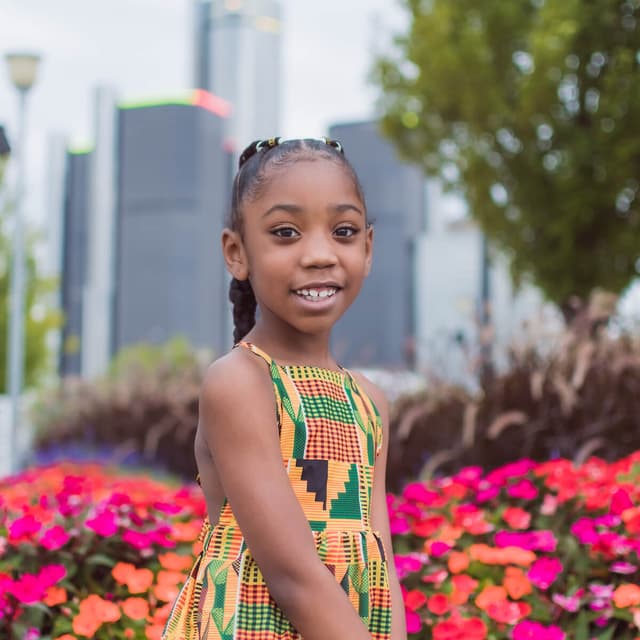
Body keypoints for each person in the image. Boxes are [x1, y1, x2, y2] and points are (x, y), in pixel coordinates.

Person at [161, 137, 407, 640]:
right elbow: (293, 577)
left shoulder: (369, 401)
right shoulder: (240, 383)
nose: (319, 255)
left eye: (343, 231)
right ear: (237, 253)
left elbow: (380, 555)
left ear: (367, 248)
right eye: (286, 232)